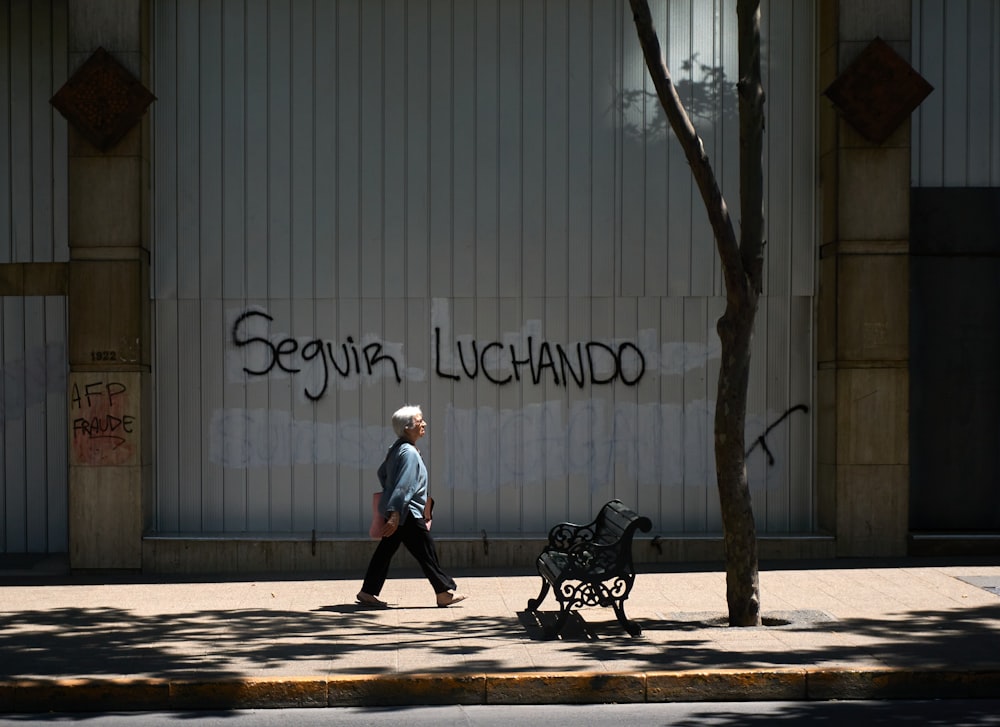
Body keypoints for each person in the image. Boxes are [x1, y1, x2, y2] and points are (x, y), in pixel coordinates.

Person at [357, 405, 467, 608]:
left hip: (400, 511)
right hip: (407, 512)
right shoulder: (409, 453)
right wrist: (396, 512)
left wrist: (390, 498)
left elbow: (383, 473)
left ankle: (367, 591)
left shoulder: (397, 448)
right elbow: (405, 484)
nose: (424, 424)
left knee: (386, 550)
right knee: (426, 551)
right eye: (419, 421)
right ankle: (443, 592)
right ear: (407, 427)